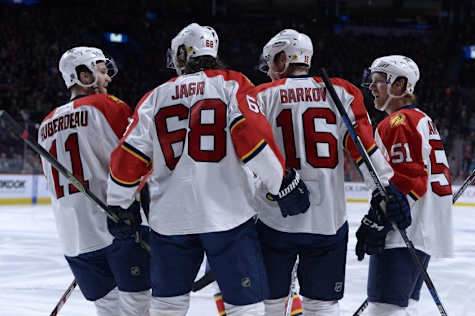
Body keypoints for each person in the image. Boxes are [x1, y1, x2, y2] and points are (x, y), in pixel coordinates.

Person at [106, 23, 310, 316]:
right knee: (245, 308)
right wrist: (282, 182)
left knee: (166, 307)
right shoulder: (232, 83)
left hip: (170, 222)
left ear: (182, 54)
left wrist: (120, 205)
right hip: (228, 217)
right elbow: (251, 138)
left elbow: (128, 157)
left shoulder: (155, 96)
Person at [253, 29, 411, 316]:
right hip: (327, 220)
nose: (269, 71)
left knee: (271, 304)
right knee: (322, 306)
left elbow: (248, 152)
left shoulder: (261, 96)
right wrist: (385, 189)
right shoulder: (342, 92)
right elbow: (363, 148)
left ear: (282, 58)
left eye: (271, 62)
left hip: (274, 218)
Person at [38, 47, 151, 316]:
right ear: (83, 75)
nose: (108, 78)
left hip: (75, 240)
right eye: (101, 71)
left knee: (109, 310)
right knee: (141, 308)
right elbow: (139, 159)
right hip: (119, 229)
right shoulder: (108, 106)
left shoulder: (45, 124)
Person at [359, 55, 453, 316]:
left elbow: (410, 177)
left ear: (399, 85)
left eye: (378, 82)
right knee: (403, 307)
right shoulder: (421, 119)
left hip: (404, 230)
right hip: (422, 229)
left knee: (384, 309)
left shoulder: (398, 123)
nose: (372, 88)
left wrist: (381, 217)